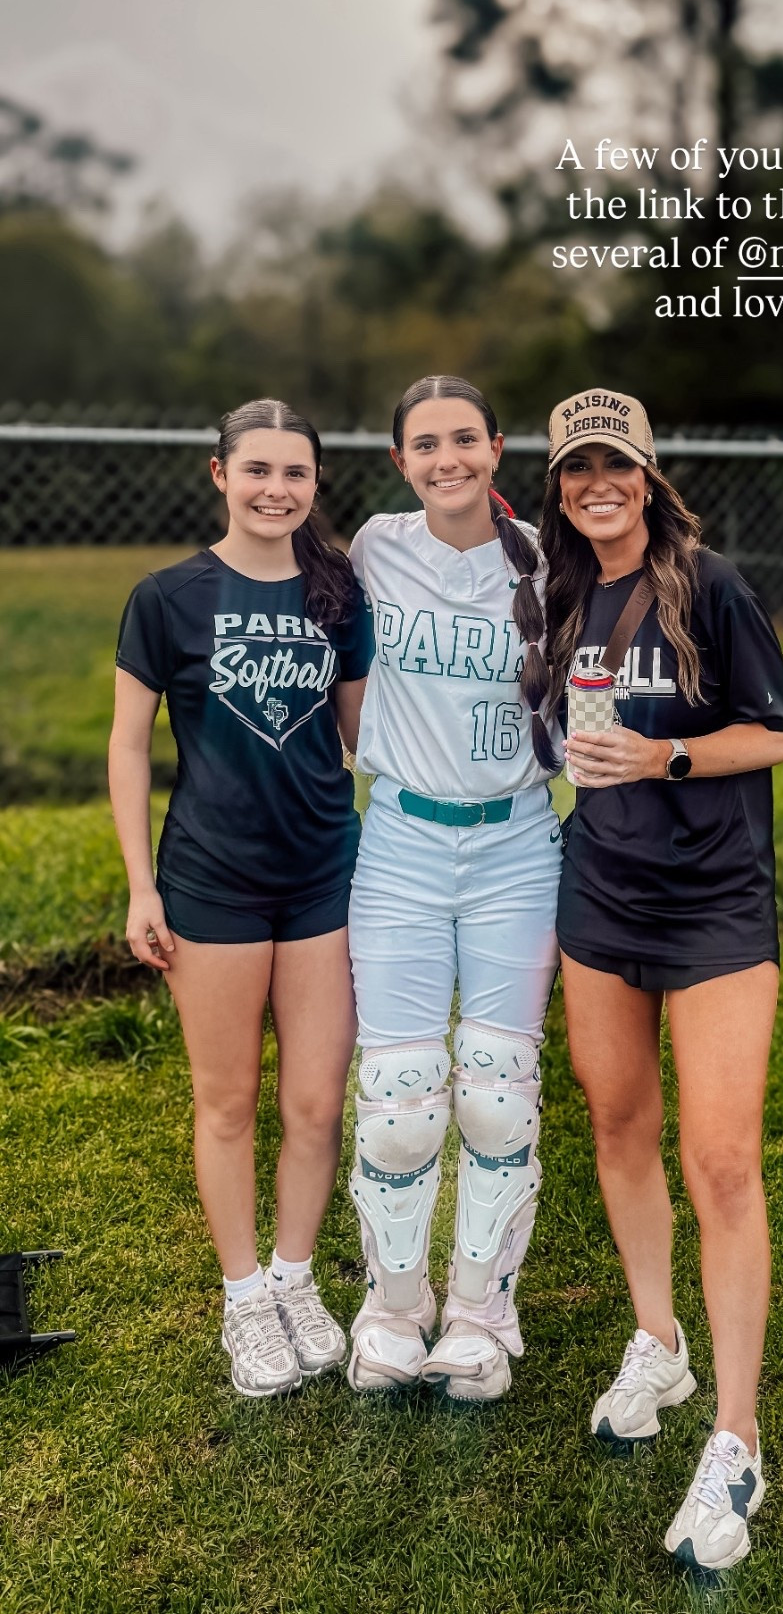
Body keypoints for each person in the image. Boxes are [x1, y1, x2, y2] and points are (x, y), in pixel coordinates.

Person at [540, 387, 783, 1577]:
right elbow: (555, 733)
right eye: (578, 466)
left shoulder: (713, 584)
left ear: (648, 475)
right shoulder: (556, 592)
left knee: (723, 1157)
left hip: (714, 906)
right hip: (600, 893)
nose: (600, 482)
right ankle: (659, 1337)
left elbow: (779, 732)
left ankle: (737, 1434)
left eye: (619, 464)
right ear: (558, 482)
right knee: (618, 1122)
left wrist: (668, 753)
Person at [108, 399, 373, 1397]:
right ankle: (242, 1295)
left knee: (313, 1099)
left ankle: (296, 1278)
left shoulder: (337, 594)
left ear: (316, 483)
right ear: (219, 474)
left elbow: (362, 737)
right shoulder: (168, 597)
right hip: (211, 877)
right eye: (256, 468)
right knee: (226, 1100)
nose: (276, 488)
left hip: (322, 873)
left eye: (295, 472)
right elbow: (129, 744)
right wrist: (142, 883)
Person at [344, 374, 562, 1404]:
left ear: (496, 447)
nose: (447, 458)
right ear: (400, 460)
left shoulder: (547, 563)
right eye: (424, 443)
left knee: (495, 1089)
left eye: (464, 439)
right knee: (397, 1106)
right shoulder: (373, 548)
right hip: (402, 840)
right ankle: (393, 1307)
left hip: (518, 843)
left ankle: (482, 1310)